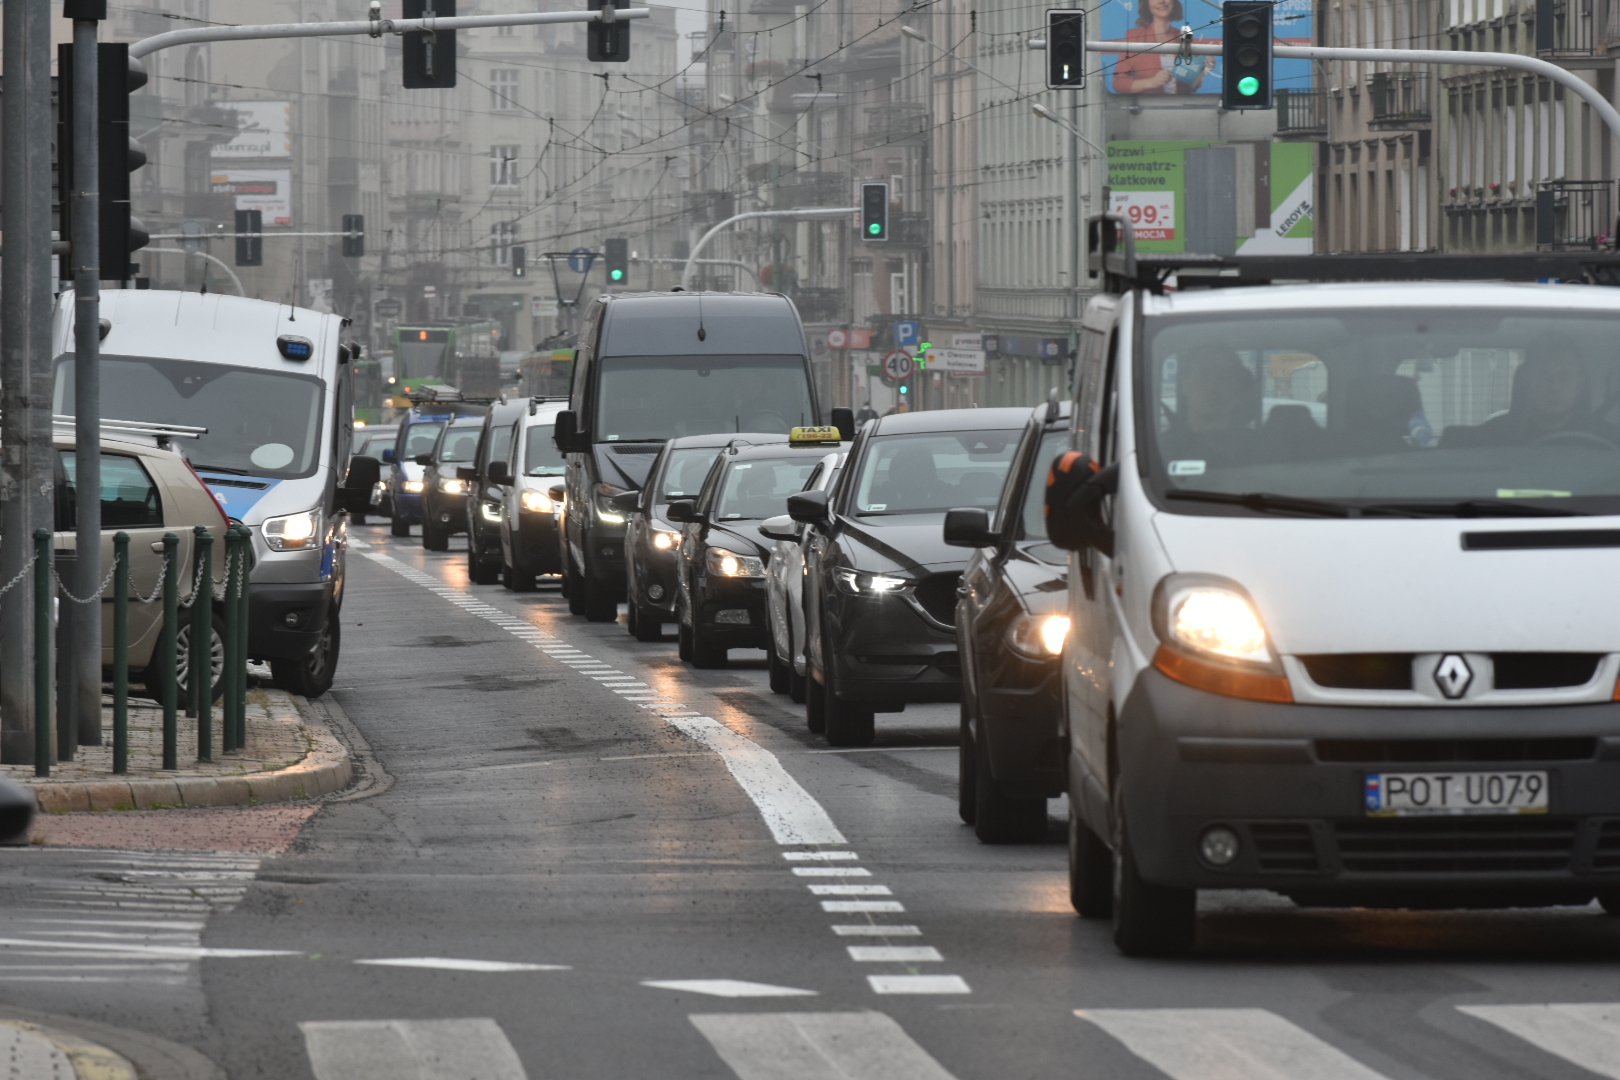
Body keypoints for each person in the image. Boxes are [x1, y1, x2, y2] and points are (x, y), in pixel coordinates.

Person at [1473, 345, 1617, 446]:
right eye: (1542, 375)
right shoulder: (1492, 437)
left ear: (1580, 383)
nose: (1553, 386)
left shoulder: (1609, 439)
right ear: (1525, 380)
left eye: (1564, 376)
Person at [1159, 346, 1261, 467]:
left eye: (1224, 376)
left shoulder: (1260, 449)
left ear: (1238, 388)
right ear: (1183, 385)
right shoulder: (1161, 449)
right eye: (1203, 374)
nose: (1213, 386)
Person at [1111, 0, 1216, 95]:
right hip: (1147, 111)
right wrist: (1152, 82)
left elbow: (1189, 88)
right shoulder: (1134, 37)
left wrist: (1202, 70)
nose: (1162, 1)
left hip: (1180, 109)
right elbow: (1119, 84)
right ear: (1146, 3)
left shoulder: (1184, 37)